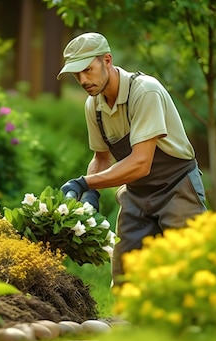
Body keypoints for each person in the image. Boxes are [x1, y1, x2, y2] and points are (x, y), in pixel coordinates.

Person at [56, 32, 207, 286]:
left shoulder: (145, 91)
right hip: (136, 194)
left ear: (107, 60)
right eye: (76, 74)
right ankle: (129, 326)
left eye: (87, 70)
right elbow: (101, 158)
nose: (83, 80)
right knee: (126, 279)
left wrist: (86, 183)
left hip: (176, 188)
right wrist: (90, 195)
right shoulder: (94, 105)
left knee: (192, 271)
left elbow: (140, 162)